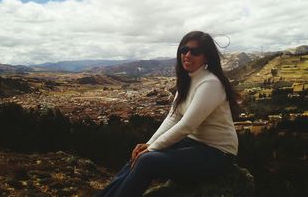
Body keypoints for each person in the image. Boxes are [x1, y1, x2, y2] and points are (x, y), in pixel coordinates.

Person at [93, 31, 239, 197]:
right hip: (193, 144)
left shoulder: (210, 83)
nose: (187, 55)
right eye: (184, 50)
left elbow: (187, 125)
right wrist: (148, 145)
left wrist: (152, 149)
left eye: (195, 51)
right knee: (138, 156)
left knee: (146, 161)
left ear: (206, 57)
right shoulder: (187, 82)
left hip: (217, 154)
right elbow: (173, 118)